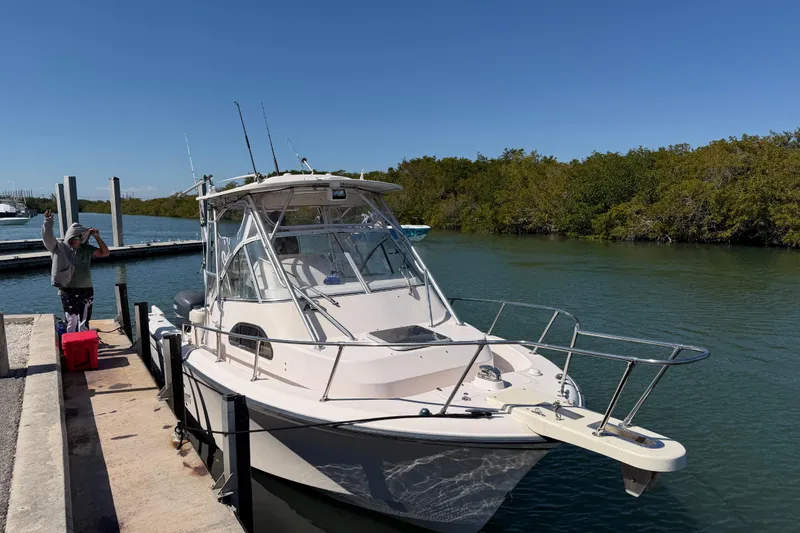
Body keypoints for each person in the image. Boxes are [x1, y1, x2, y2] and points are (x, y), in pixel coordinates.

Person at [41, 210, 110, 332]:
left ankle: (84, 340)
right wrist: (48, 222)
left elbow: (105, 253)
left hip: (86, 289)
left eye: (77, 237)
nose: (74, 240)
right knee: (71, 320)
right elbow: (48, 238)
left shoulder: (87, 249)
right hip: (68, 289)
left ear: (81, 238)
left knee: (84, 320)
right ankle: (72, 341)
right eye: (72, 237)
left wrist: (97, 237)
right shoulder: (60, 247)